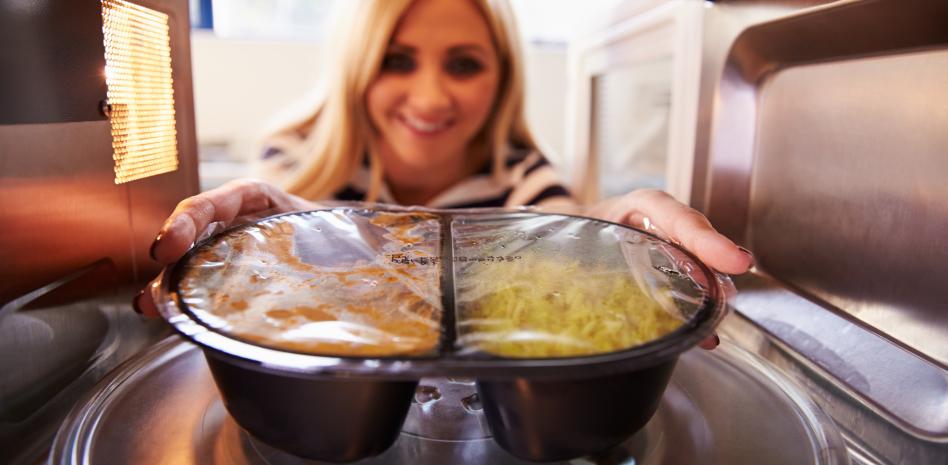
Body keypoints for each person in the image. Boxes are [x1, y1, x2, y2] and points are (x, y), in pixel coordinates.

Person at [136, 0, 752, 350]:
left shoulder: (525, 181)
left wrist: (610, 247)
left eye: (463, 64)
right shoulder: (288, 165)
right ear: (355, 69)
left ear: (503, 78)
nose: (429, 98)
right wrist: (280, 239)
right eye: (398, 61)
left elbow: (555, 236)